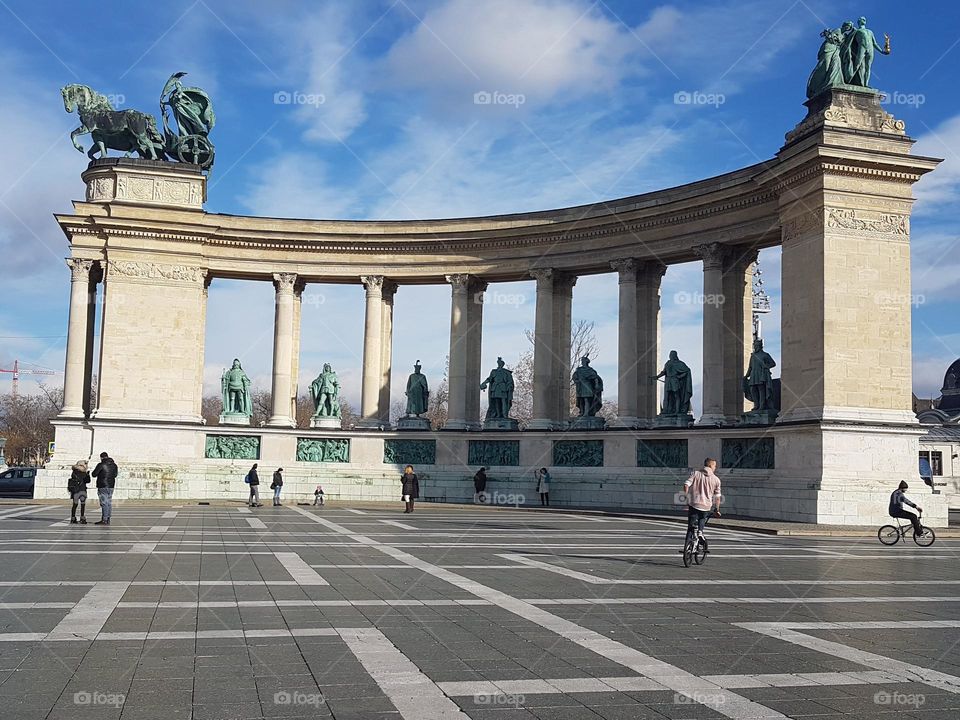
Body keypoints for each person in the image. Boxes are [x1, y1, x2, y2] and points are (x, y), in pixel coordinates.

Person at [683, 458, 722, 548]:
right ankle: (700, 532)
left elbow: (686, 485)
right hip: (706, 506)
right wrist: (717, 509)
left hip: (694, 504)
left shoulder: (695, 474)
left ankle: (686, 548)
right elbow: (717, 497)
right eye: (715, 466)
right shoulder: (716, 480)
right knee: (702, 518)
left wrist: (686, 497)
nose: (715, 468)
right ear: (710, 465)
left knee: (690, 527)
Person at [91, 452, 118, 526]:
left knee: (104, 503)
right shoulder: (114, 465)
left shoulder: (101, 465)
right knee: (108, 502)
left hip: (103, 485)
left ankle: (104, 519)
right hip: (111, 485)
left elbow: (94, 474)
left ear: (101, 457)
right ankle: (108, 518)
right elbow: (115, 475)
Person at [67, 460, 90, 525]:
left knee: (75, 505)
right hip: (82, 490)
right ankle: (82, 517)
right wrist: (87, 475)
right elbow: (88, 481)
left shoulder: (74, 472)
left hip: (76, 491)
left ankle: (73, 518)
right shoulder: (84, 473)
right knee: (83, 504)